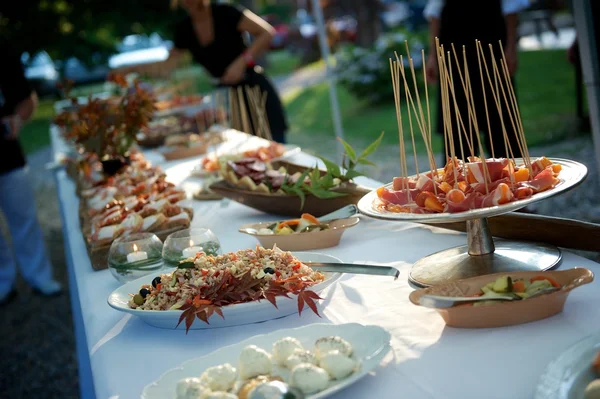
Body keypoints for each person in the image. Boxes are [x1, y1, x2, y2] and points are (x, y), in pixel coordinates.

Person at [122, 0, 288, 143]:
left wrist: (242, 62)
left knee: (274, 146)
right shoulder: (184, 29)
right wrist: (131, 68)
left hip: (255, 89)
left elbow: (267, 32)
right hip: (227, 98)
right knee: (244, 152)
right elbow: (167, 66)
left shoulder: (227, 12)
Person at [424, 0, 530, 164]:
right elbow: (435, 11)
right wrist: (433, 54)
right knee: (457, 122)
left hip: (491, 45)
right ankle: (459, 183)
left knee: (500, 117)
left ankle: (514, 177)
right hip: (453, 51)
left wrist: (511, 47)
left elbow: (510, 6)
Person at [0, 44, 62, 305]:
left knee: (24, 218)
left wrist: (17, 121)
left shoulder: (4, 55)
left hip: (7, 154)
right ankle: (3, 282)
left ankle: (38, 276)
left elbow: (27, 100)